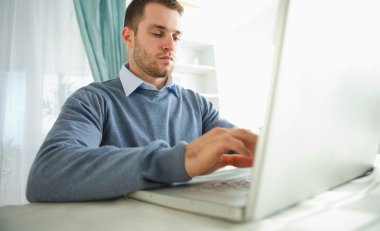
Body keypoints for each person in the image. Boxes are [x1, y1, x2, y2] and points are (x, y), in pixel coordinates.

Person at [26, 0, 257, 202]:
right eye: (158, 33)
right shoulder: (93, 100)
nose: (170, 45)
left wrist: (266, 147)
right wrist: (181, 160)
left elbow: (240, 144)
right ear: (128, 36)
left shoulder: (197, 103)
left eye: (176, 36)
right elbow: (46, 174)